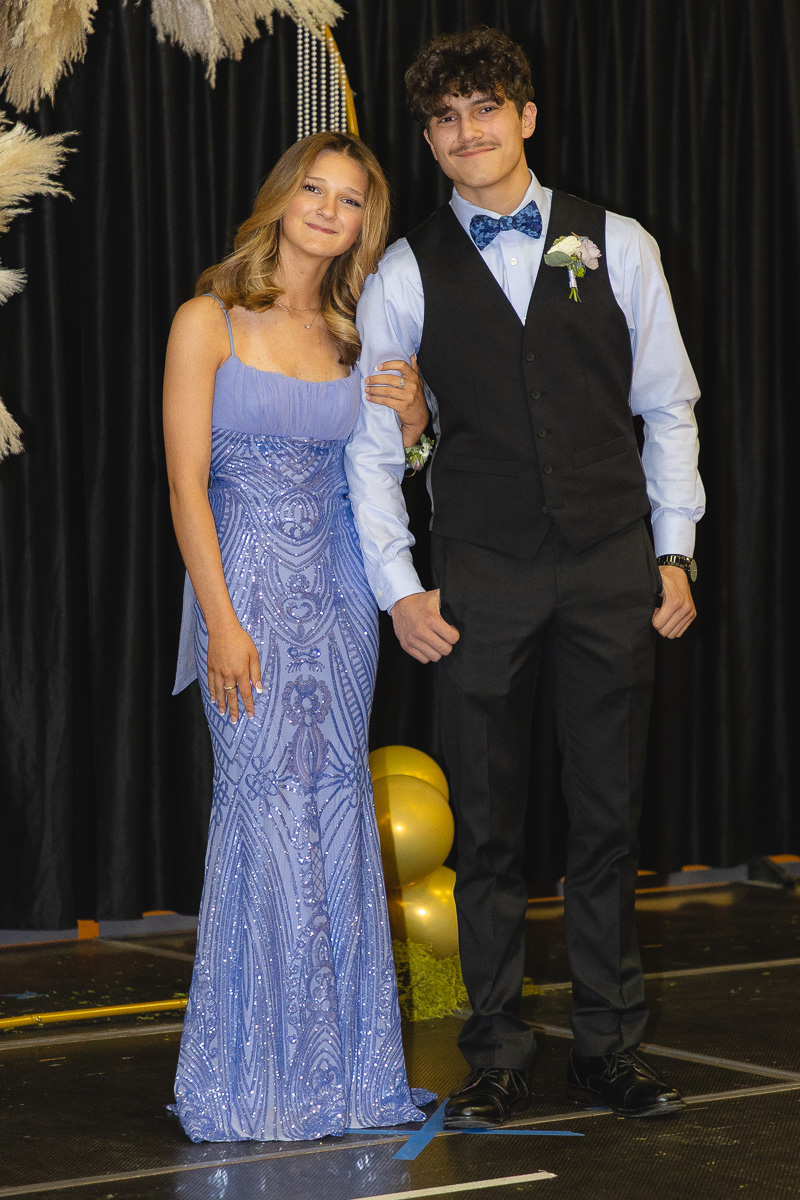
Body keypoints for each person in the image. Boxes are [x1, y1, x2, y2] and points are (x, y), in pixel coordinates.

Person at [348, 28, 705, 1127]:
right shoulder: (403, 269)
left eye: (485, 110)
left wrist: (673, 547)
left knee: (606, 820)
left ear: (525, 117)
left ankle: (609, 1048)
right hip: (480, 578)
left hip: (609, 567)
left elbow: (666, 408)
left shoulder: (622, 245)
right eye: (444, 119)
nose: (467, 134)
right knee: (490, 830)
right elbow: (374, 445)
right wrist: (399, 588)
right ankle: (495, 1053)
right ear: (429, 138)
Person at [163, 130, 433, 1142]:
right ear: (280, 199)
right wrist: (223, 622)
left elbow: (385, 467)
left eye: (350, 197)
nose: (328, 208)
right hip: (248, 600)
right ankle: (255, 1082)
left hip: (339, 604)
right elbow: (186, 488)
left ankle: (345, 1080)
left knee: (331, 816)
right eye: (312, 189)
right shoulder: (208, 319)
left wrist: (412, 422)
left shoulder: (356, 329)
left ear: (367, 219)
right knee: (263, 816)